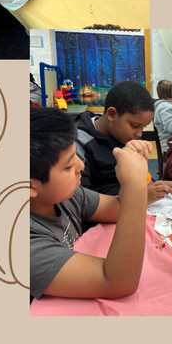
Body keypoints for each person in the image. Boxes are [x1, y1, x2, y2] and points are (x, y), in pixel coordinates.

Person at [30, 107, 149, 300]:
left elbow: (118, 209)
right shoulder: (28, 247)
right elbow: (117, 282)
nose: (81, 166)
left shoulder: (66, 197)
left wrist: (131, 162)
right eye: (68, 166)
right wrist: (135, 183)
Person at [75, 80, 172, 202]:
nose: (139, 134)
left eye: (143, 127)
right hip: (105, 216)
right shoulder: (78, 145)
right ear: (112, 114)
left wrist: (158, 186)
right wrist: (138, 197)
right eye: (135, 125)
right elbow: (80, 203)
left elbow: (140, 180)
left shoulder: (126, 136)